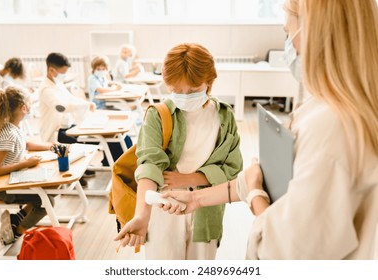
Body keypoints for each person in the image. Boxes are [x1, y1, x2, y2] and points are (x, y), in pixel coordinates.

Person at [160, 0, 378, 260]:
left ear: (316, 33)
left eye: (288, 33)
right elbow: (259, 180)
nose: (289, 46)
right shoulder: (323, 109)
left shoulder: (332, 128)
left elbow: (286, 253)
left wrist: (255, 195)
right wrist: (196, 199)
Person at [115, 43, 243, 260]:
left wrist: (186, 179)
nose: (184, 96)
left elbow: (232, 169)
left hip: (208, 207)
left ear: (209, 82)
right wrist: (141, 216)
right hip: (163, 209)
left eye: (193, 91)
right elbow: (149, 166)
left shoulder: (224, 116)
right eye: (176, 90)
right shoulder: (158, 115)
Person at [0, 86, 54, 245]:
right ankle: (16, 232)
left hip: (11, 180)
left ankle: (15, 219)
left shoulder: (15, 127)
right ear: (23, 107)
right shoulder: (8, 134)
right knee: (47, 202)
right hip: (1, 188)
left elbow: (27, 144)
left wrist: (50, 146)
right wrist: (26, 163)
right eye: (30, 103)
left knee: (50, 191)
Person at [38, 52, 96, 185]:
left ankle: (81, 168)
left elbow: (70, 98)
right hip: (54, 131)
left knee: (83, 137)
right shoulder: (46, 89)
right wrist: (83, 105)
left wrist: (86, 104)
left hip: (64, 125)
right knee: (75, 141)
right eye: (62, 72)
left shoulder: (58, 84)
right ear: (51, 70)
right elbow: (61, 107)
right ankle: (75, 173)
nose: (64, 75)